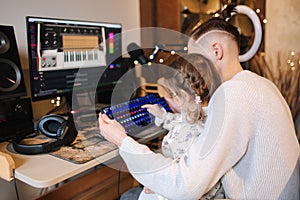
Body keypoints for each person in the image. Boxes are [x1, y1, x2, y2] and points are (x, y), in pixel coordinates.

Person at [99, 17, 300, 199]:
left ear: (216, 51)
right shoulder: (260, 84)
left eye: (195, 59)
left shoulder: (234, 93)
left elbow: (186, 186)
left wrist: (122, 140)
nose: (192, 68)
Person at [136, 55, 223, 200]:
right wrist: (164, 117)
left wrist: (158, 183)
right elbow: (183, 121)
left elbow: (181, 182)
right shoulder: (208, 113)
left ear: (182, 95)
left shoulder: (190, 131)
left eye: (171, 94)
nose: (168, 98)